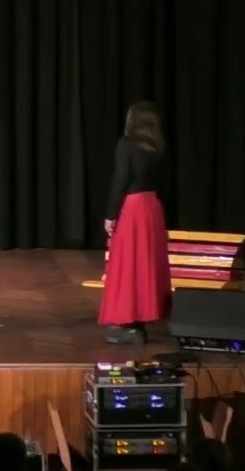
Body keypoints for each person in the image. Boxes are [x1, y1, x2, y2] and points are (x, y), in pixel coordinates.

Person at [99, 100, 170, 344]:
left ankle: (128, 323)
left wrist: (111, 214)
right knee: (145, 264)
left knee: (128, 264)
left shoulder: (126, 144)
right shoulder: (157, 147)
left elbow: (121, 179)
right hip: (152, 206)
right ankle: (138, 322)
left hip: (133, 207)